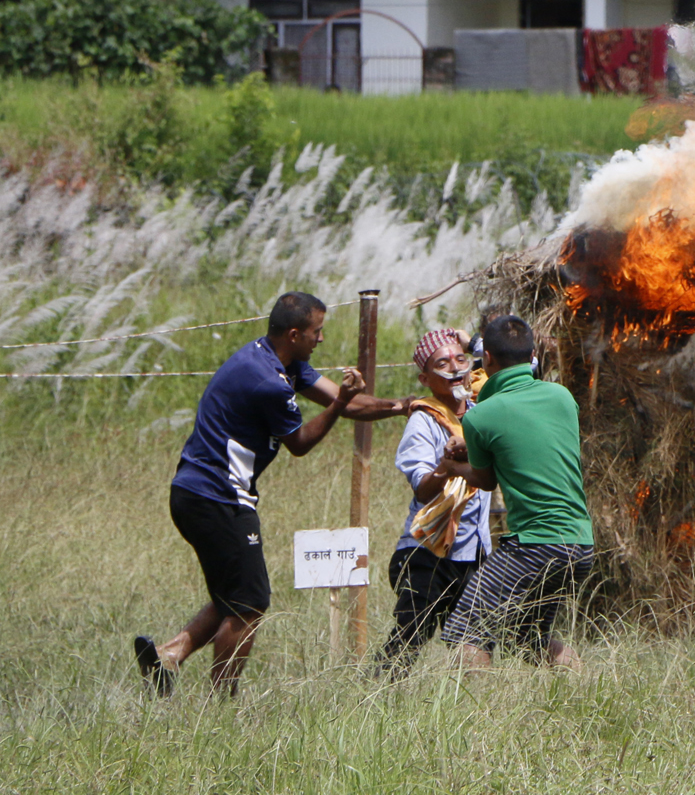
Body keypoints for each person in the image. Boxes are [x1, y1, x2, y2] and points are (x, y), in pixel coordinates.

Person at [134, 291, 417, 695]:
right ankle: (221, 708)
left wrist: (403, 405)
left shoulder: (281, 360)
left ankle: (170, 656)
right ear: (296, 333)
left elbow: (349, 404)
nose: (321, 339)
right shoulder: (268, 382)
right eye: (317, 332)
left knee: (235, 591)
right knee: (250, 604)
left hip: (196, 493)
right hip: (219, 498)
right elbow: (300, 442)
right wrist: (341, 404)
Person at [437, 315, 593, 670]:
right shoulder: (562, 397)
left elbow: (486, 479)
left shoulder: (480, 417)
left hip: (535, 544)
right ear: (533, 354)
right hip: (580, 542)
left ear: (486, 358)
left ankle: (481, 722)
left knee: (465, 632)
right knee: (529, 638)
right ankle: (586, 701)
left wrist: (450, 468)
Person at [374, 328, 494, 678]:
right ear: (426, 378)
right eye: (442, 362)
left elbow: (515, 363)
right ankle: (374, 698)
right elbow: (423, 490)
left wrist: (473, 341)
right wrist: (447, 464)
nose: (455, 368)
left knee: (477, 639)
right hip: (428, 552)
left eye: (460, 359)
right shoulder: (424, 420)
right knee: (411, 636)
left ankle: (479, 715)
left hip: (473, 551)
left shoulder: (481, 409)